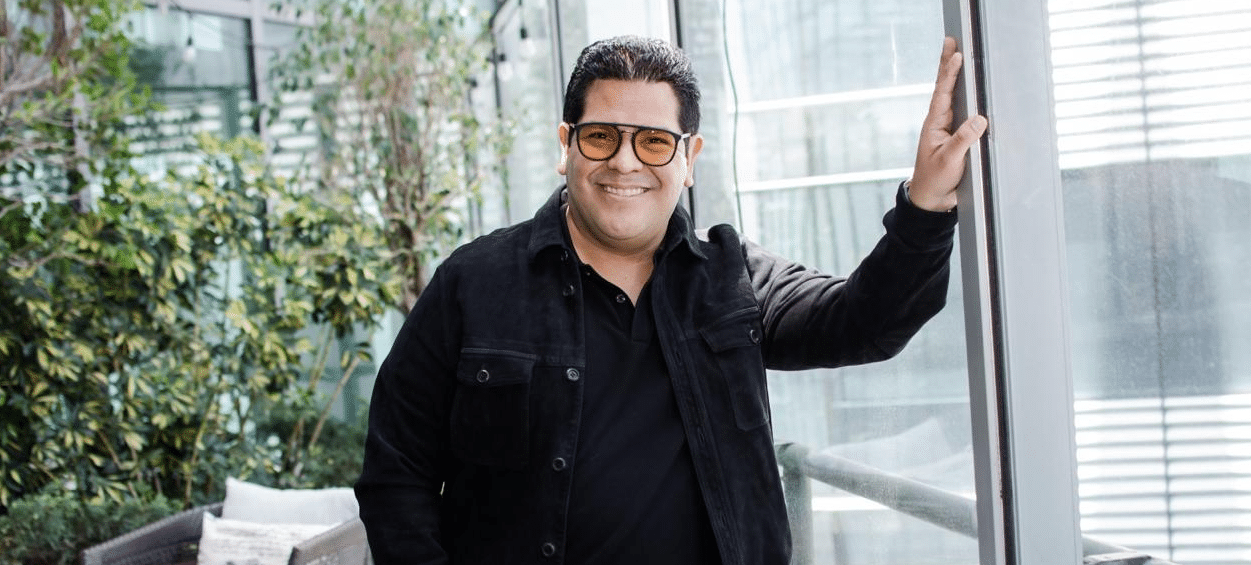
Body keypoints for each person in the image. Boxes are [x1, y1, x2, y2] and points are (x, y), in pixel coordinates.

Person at [355, 34, 988, 565]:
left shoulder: (733, 281)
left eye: (654, 142)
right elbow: (395, 473)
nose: (625, 163)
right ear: (566, 146)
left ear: (689, 159)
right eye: (601, 137)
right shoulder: (473, 284)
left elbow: (865, 322)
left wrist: (926, 202)